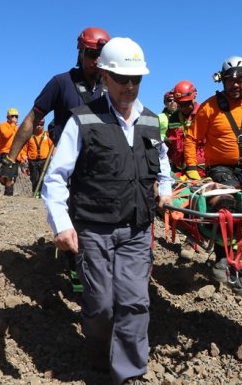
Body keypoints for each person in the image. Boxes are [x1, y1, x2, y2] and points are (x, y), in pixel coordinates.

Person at [42, 37, 173, 384]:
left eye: (136, 79)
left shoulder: (150, 120)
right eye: (122, 79)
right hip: (93, 229)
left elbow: (163, 167)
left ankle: (127, 374)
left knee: (134, 303)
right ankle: (99, 355)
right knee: (100, 306)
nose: (130, 86)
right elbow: (55, 178)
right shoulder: (83, 120)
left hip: (136, 229)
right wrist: (61, 224)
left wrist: (168, 191)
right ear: (105, 76)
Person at [0, 26, 109, 291]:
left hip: (103, 163)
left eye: (102, 54)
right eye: (93, 54)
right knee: (74, 215)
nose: (97, 60)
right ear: (81, 52)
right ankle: (76, 268)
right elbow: (32, 119)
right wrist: (10, 159)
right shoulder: (61, 83)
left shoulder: (111, 85)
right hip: (69, 163)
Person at [183, 56, 242, 299]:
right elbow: (192, 138)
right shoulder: (209, 107)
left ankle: (240, 264)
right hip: (221, 169)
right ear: (222, 81)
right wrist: (192, 168)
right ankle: (224, 260)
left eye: (240, 80)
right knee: (231, 207)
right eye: (230, 81)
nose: (235, 85)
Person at [165, 80, 204, 174]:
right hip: (179, 170)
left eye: (186, 104)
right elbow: (170, 144)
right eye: (180, 105)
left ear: (194, 97)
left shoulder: (203, 114)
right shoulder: (174, 118)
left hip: (202, 170)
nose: (183, 108)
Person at [18, 117, 54, 195]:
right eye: (38, 124)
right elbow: (24, 149)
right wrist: (23, 157)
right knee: (34, 178)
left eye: (41, 125)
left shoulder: (47, 135)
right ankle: (36, 193)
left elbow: (52, 147)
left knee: (44, 178)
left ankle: (43, 194)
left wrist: (54, 156)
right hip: (33, 161)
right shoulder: (30, 136)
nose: (39, 126)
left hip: (45, 161)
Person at [0, 108, 19, 196]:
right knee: (8, 175)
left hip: (15, 154)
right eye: (12, 116)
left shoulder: (17, 128)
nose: (14, 118)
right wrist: (13, 125)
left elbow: (20, 141)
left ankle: (9, 194)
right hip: (6, 153)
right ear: (8, 117)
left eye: (16, 116)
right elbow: (6, 135)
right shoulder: (3, 125)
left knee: (13, 176)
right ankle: (8, 194)